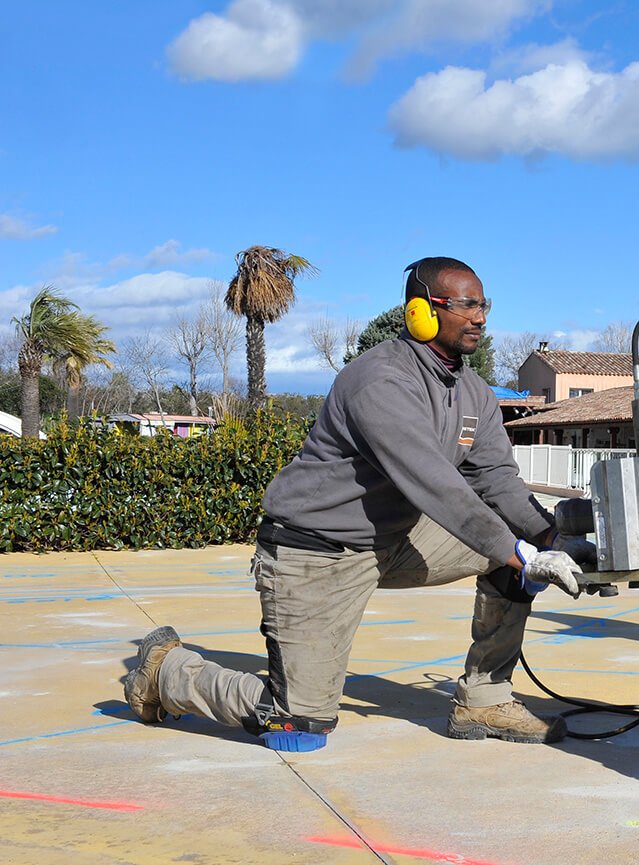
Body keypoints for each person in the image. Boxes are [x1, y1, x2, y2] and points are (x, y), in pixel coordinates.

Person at [124, 256, 593, 752]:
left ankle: (484, 698)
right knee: (297, 726)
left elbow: (497, 480)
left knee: (514, 560)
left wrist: (548, 539)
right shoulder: (380, 379)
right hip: (317, 550)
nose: (480, 317)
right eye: (466, 305)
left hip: (397, 537)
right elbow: (437, 485)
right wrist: (520, 550)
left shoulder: (474, 392)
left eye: (484, 305)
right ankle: (168, 672)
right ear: (422, 311)